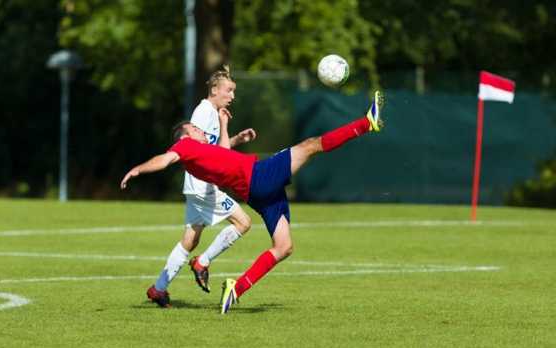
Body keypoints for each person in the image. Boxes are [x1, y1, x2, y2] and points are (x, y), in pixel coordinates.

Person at [121, 91, 385, 314]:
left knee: (284, 247)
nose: (200, 129)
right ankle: (366, 123)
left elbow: (221, 156)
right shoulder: (185, 147)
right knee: (310, 145)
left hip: (256, 191)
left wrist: (230, 134)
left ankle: (236, 290)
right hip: (257, 177)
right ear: (184, 135)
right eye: (195, 129)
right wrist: (138, 169)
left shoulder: (200, 151)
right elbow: (165, 159)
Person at [144, 66, 257, 308]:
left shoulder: (212, 113)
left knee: (190, 240)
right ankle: (202, 263)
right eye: (229, 90)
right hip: (204, 185)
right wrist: (225, 127)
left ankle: (158, 289)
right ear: (215, 90)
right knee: (243, 223)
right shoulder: (203, 113)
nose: (232, 96)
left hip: (196, 186)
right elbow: (204, 153)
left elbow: (215, 151)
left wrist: (235, 138)